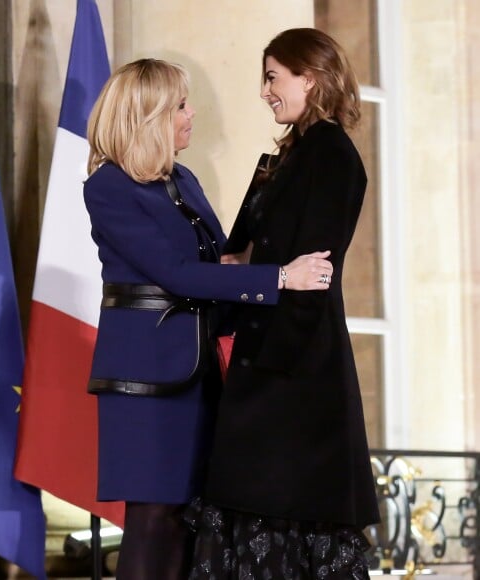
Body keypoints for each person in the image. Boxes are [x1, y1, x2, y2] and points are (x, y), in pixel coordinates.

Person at [82, 58, 334, 580]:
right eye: (180, 105)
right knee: (153, 518)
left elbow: (219, 261)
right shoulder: (109, 187)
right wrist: (280, 278)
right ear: (147, 115)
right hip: (146, 381)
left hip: (197, 373)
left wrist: (263, 257)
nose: (191, 113)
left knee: (188, 519)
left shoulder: (182, 178)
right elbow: (176, 273)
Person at [188, 28, 381, 579]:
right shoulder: (287, 156)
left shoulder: (333, 156)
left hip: (294, 376)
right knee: (255, 514)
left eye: (274, 77)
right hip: (267, 362)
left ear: (310, 77)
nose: (265, 90)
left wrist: (270, 373)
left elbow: (313, 273)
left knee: (283, 516)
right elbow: (240, 251)